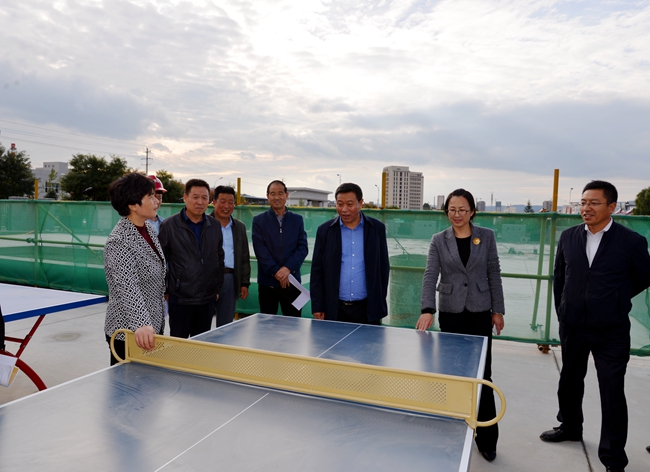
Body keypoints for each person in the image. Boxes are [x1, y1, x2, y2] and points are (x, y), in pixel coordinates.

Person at [540, 180, 650, 472]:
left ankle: (613, 458)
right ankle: (570, 427)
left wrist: (616, 298)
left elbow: (644, 276)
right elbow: (559, 277)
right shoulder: (568, 237)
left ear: (611, 207)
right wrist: (564, 310)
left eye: (593, 203)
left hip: (611, 330)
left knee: (612, 390)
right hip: (573, 325)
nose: (586, 208)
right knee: (570, 380)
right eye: (583, 203)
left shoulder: (631, 242)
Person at [416, 188, 505, 462]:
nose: (457, 215)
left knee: (483, 376)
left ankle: (487, 438)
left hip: (480, 313)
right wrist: (427, 309)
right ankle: (454, 432)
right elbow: (430, 274)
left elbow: (494, 273)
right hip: (451, 313)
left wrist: (498, 311)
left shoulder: (486, 236)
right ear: (447, 212)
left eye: (463, 210)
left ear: (472, 211)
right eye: (452, 210)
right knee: (453, 374)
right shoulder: (438, 240)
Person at [104, 173, 166, 365]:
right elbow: (127, 286)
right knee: (128, 383)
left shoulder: (148, 229)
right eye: (150, 196)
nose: (156, 201)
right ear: (133, 205)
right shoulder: (119, 241)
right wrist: (142, 324)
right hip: (130, 332)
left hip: (151, 326)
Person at [310, 183, 389, 324]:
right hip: (334, 309)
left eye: (350, 204)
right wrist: (318, 306)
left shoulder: (377, 229)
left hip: (367, 309)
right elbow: (317, 271)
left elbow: (383, 267)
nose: (344, 209)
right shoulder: (325, 231)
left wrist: (378, 299)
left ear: (361, 203)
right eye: (340, 204)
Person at [158, 179, 224, 338]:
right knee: (179, 344)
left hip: (207, 299)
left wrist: (216, 289)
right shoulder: (170, 225)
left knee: (201, 345)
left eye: (204, 198)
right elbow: (160, 260)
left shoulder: (215, 225)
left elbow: (219, 258)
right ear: (185, 198)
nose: (200, 202)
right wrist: (166, 289)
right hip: (181, 299)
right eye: (195, 197)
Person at [252, 180, 308, 317]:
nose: (277, 197)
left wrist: (287, 269)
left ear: (286, 195)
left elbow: (302, 247)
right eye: (273, 194)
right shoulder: (259, 221)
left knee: (293, 324)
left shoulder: (297, 220)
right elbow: (260, 250)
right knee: (267, 323)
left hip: (292, 281)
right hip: (267, 282)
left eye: (280, 193)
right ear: (267, 196)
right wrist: (277, 272)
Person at [210, 185, 251, 327]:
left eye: (231, 202)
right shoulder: (205, 224)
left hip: (230, 278)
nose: (227, 206)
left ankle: (223, 342)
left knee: (226, 323)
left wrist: (244, 283)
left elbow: (244, 257)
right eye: (222, 201)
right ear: (214, 202)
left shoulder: (239, 227)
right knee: (203, 321)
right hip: (207, 279)